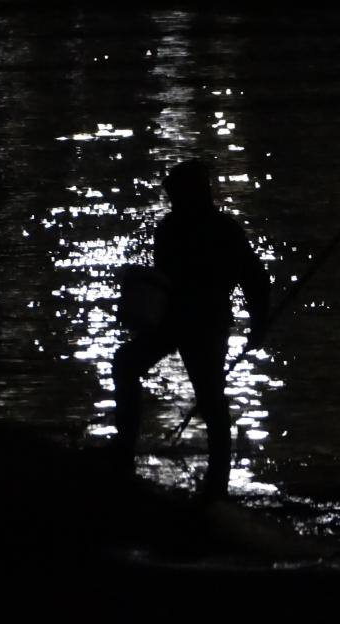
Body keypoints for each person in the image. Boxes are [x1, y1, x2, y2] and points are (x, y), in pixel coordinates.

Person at [112, 159, 270, 500]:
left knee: (210, 401)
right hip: (173, 322)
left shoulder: (221, 231)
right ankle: (123, 452)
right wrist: (259, 321)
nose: (173, 201)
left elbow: (253, 279)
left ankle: (216, 485)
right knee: (127, 365)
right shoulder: (172, 228)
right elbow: (253, 280)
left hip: (205, 326)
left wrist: (259, 321)